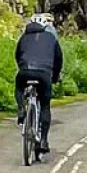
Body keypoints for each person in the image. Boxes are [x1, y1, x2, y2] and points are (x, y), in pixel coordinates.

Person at [15, 13, 63, 155]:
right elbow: (58, 59)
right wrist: (55, 77)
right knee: (45, 106)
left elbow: (17, 54)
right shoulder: (51, 37)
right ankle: (43, 140)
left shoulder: (24, 37)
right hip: (44, 74)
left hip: (25, 71)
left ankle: (21, 109)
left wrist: (22, 68)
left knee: (19, 87)